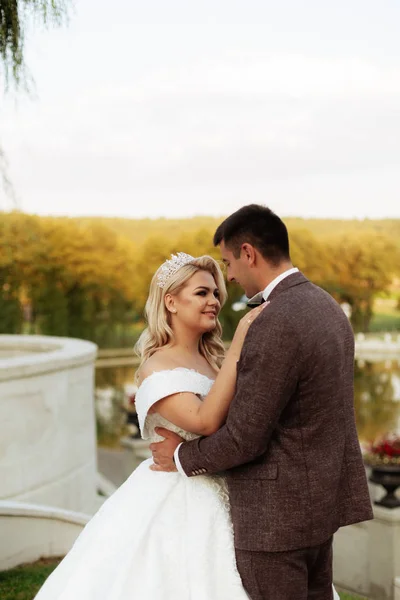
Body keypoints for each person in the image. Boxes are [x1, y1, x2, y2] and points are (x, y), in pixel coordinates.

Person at [150, 205, 373, 600]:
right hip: (319, 510)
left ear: (249, 253)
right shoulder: (328, 308)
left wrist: (181, 456)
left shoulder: (274, 320)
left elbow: (244, 438)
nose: (229, 278)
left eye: (228, 263)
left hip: (275, 521)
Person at [33, 253, 266, 600]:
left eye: (216, 293)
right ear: (171, 301)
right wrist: (241, 342)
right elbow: (205, 421)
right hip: (178, 498)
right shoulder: (157, 366)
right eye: (202, 293)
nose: (214, 301)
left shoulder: (211, 359)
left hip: (225, 489)